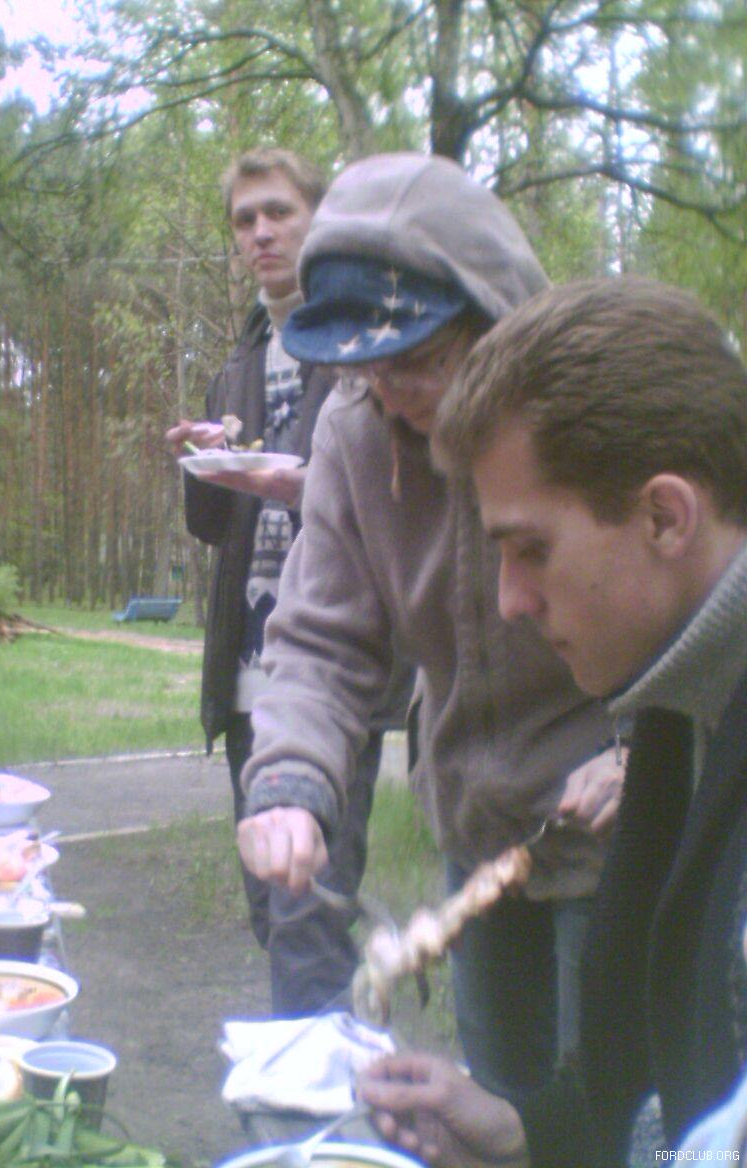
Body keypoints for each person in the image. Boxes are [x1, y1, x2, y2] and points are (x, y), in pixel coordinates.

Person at [236, 152, 620, 1104]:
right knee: (503, 1105)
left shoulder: (599, 411)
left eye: (416, 359)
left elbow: (697, 602)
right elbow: (321, 640)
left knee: (624, 1112)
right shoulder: (355, 433)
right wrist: (292, 783)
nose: (388, 390)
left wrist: (645, 745)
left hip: (616, 827)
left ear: (492, 318)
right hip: (478, 833)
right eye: (364, 364)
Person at [358, 275, 747, 1167]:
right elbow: (676, 1088)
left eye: (531, 549)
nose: (511, 601)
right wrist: (527, 1134)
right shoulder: (679, 702)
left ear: (664, 517)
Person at [166, 147, 403, 1016]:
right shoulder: (237, 363)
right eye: (245, 219)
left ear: (317, 218)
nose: (261, 232)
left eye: (279, 212)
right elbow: (211, 527)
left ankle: (318, 1084)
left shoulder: (360, 344)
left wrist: (309, 484)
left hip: (333, 663)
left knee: (308, 911)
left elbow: (394, 501)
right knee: (274, 907)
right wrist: (205, 462)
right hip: (247, 667)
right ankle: (332, 1044)